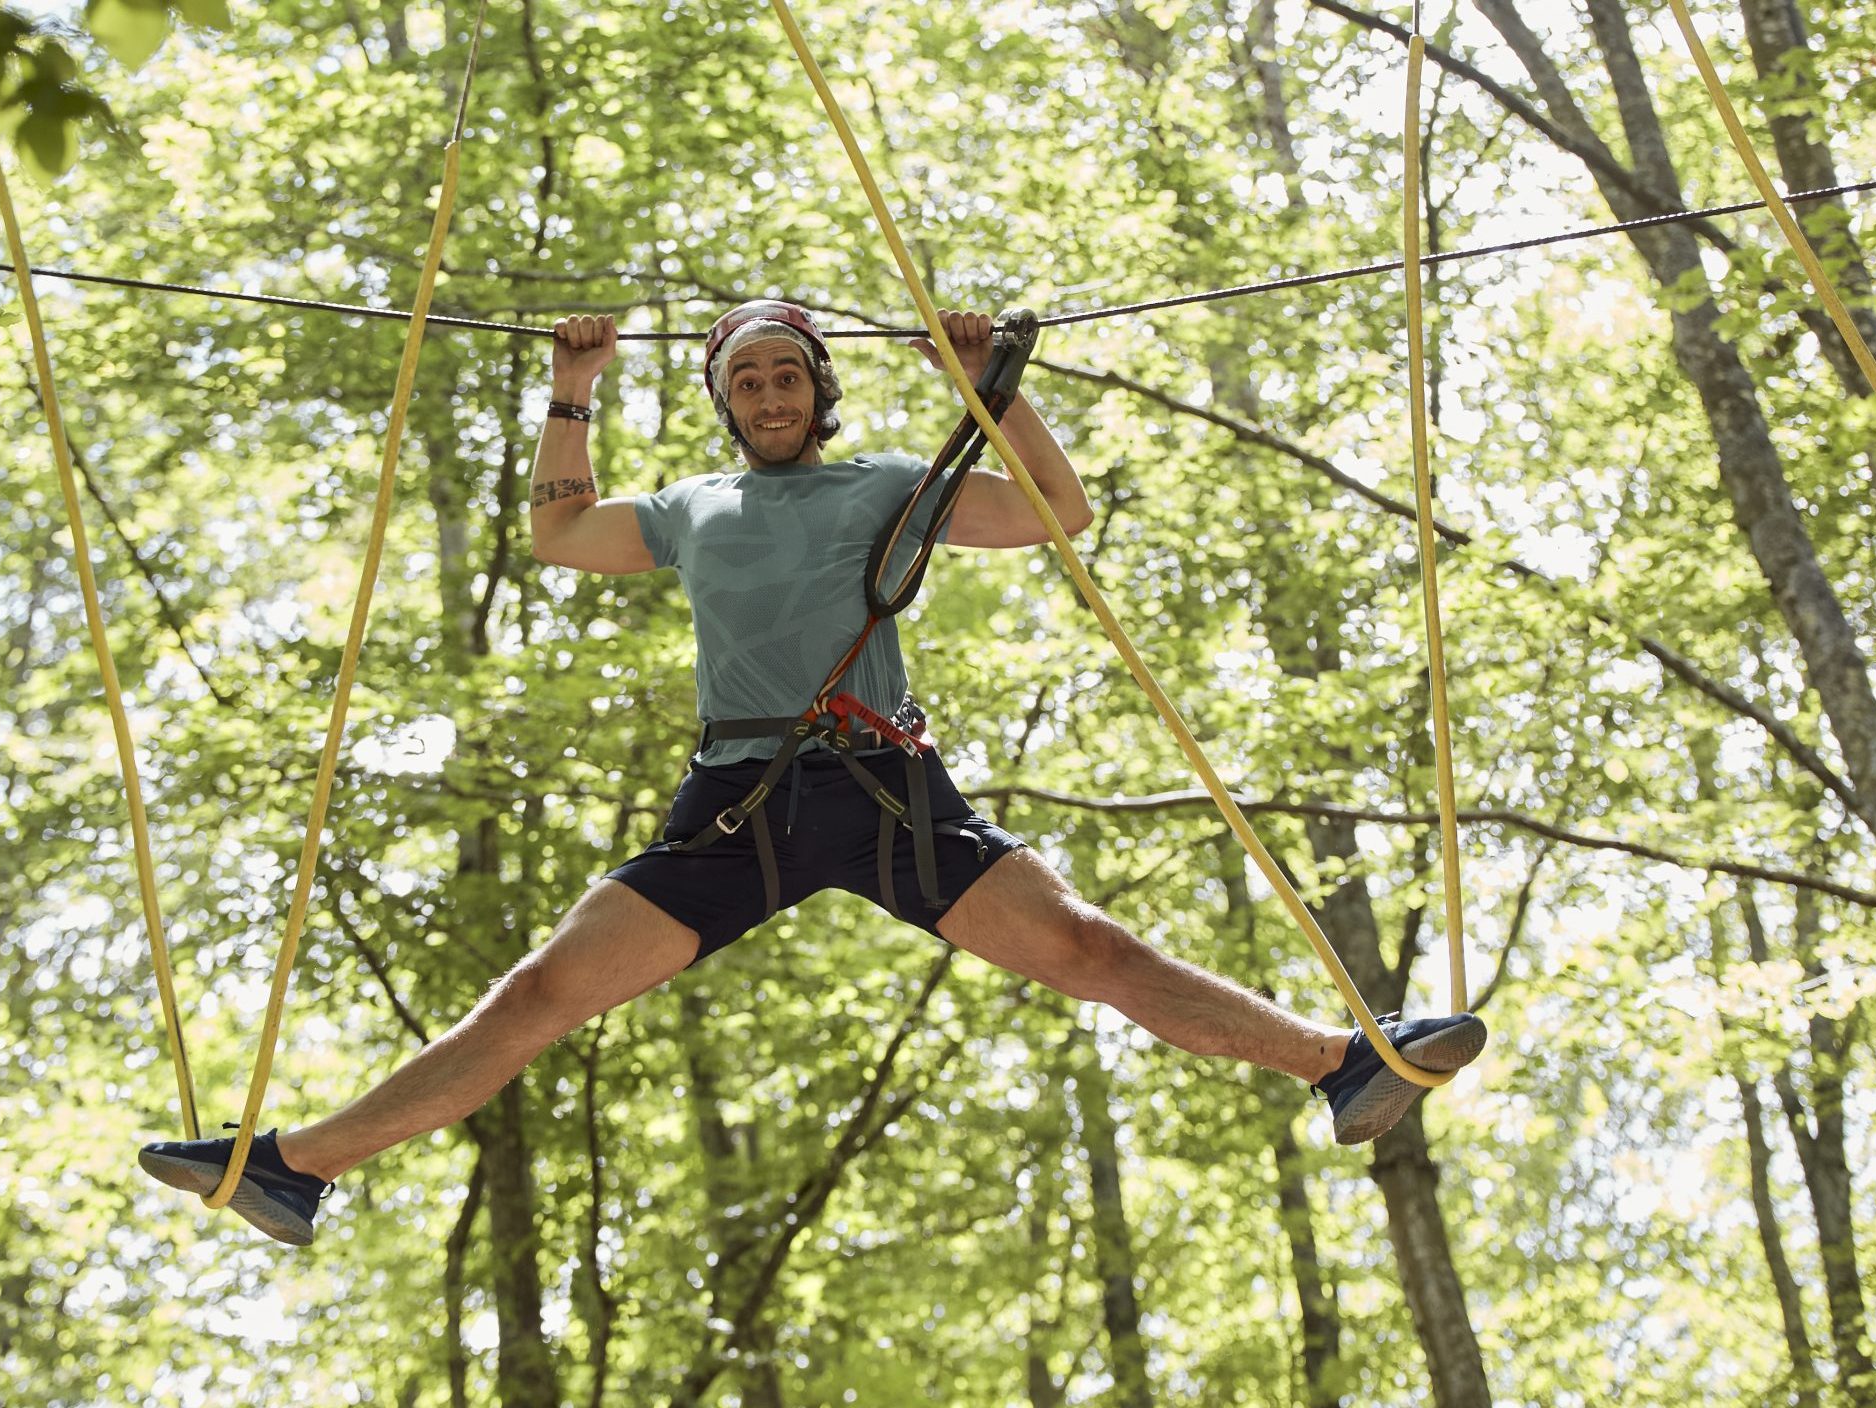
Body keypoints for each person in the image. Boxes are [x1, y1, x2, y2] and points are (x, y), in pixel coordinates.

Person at [141, 300, 1488, 1246]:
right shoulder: (691, 512)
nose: (769, 396)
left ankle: (1340, 1064)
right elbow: (560, 532)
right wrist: (575, 388)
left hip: (882, 786)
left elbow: (1054, 516)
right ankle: (292, 1172)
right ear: (726, 403)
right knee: (545, 989)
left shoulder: (886, 486)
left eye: (787, 377)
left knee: (1089, 946)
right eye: (747, 382)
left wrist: (996, 391)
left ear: (819, 391)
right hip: (737, 804)